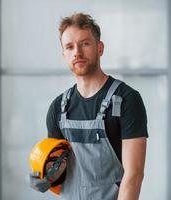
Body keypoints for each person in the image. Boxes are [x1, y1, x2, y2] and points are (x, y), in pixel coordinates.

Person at [30, 13, 148, 200]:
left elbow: (134, 176)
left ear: (99, 48)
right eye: (69, 47)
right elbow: (59, 167)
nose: (77, 52)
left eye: (85, 43)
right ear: (64, 55)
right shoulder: (57, 108)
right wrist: (48, 177)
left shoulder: (126, 100)